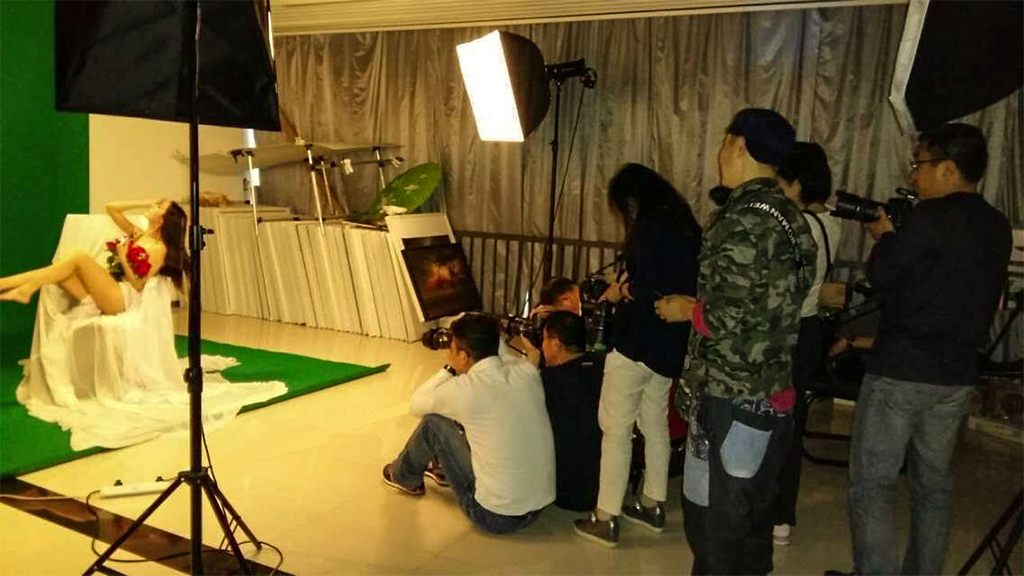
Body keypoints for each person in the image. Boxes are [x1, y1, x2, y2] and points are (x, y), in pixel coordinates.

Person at [832, 123, 1012, 576]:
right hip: (957, 374)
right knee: (933, 485)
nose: (914, 175)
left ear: (948, 168)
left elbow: (882, 275)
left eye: (920, 165)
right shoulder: (996, 226)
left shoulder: (928, 218)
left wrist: (885, 236)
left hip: (902, 370)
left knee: (873, 483)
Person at [655, 108, 816, 575]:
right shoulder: (793, 218)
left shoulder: (742, 219)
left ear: (739, 145)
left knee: (714, 523)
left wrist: (685, 309)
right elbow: (769, 306)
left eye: (724, 144)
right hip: (773, 392)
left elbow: (726, 316)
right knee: (752, 519)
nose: (720, 155)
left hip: (730, 394)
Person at [573, 163, 701, 547]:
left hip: (636, 343)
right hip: (669, 344)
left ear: (632, 200)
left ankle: (605, 517)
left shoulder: (649, 228)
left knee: (615, 428)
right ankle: (652, 504)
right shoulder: (687, 227)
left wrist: (620, 291)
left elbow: (646, 287)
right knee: (655, 423)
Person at [382, 313, 556, 535]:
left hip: (495, 517)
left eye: (452, 349)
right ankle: (440, 469)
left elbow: (415, 405)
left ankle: (403, 475)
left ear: (463, 356)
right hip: (538, 506)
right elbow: (499, 354)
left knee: (433, 423)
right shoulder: (526, 371)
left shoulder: (466, 389)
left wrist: (448, 369)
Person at [773, 142, 843, 546]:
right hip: (810, 328)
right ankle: (781, 517)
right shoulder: (831, 221)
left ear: (797, 184)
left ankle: (774, 513)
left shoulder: (799, 226)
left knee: (773, 424)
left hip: (789, 331)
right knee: (791, 423)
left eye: (782, 183)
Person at [0, 199, 189, 307]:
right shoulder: (138, 234)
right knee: (62, 270)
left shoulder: (158, 248)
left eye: (159, 207)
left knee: (79, 257)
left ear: (163, 220)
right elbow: (111, 208)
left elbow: (138, 285)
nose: (153, 206)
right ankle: (20, 288)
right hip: (113, 290)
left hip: (123, 299)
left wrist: (123, 258)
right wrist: (145, 201)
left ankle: (11, 285)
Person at [539, 311, 604, 511]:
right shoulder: (603, 364)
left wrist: (532, 365)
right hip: (604, 487)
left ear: (556, 344)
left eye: (544, 339)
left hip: (566, 491)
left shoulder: (549, 380)